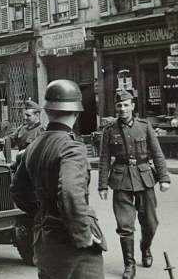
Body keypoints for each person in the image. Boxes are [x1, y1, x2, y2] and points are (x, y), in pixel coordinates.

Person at [10, 79, 106, 279]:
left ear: (47, 111)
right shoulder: (72, 147)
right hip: (73, 245)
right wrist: (83, 234)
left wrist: (44, 212)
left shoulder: (34, 146)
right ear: (76, 112)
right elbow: (71, 192)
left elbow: (18, 190)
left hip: (45, 241)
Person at [98, 90, 171, 279]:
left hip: (144, 178)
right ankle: (129, 265)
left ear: (133, 106)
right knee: (124, 225)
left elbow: (157, 153)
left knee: (151, 223)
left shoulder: (144, 127)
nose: (122, 109)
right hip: (120, 179)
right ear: (116, 107)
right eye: (119, 105)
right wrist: (103, 185)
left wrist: (164, 178)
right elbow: (104, 158)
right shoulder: (109, 130)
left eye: (126, 105)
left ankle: (145, 248)